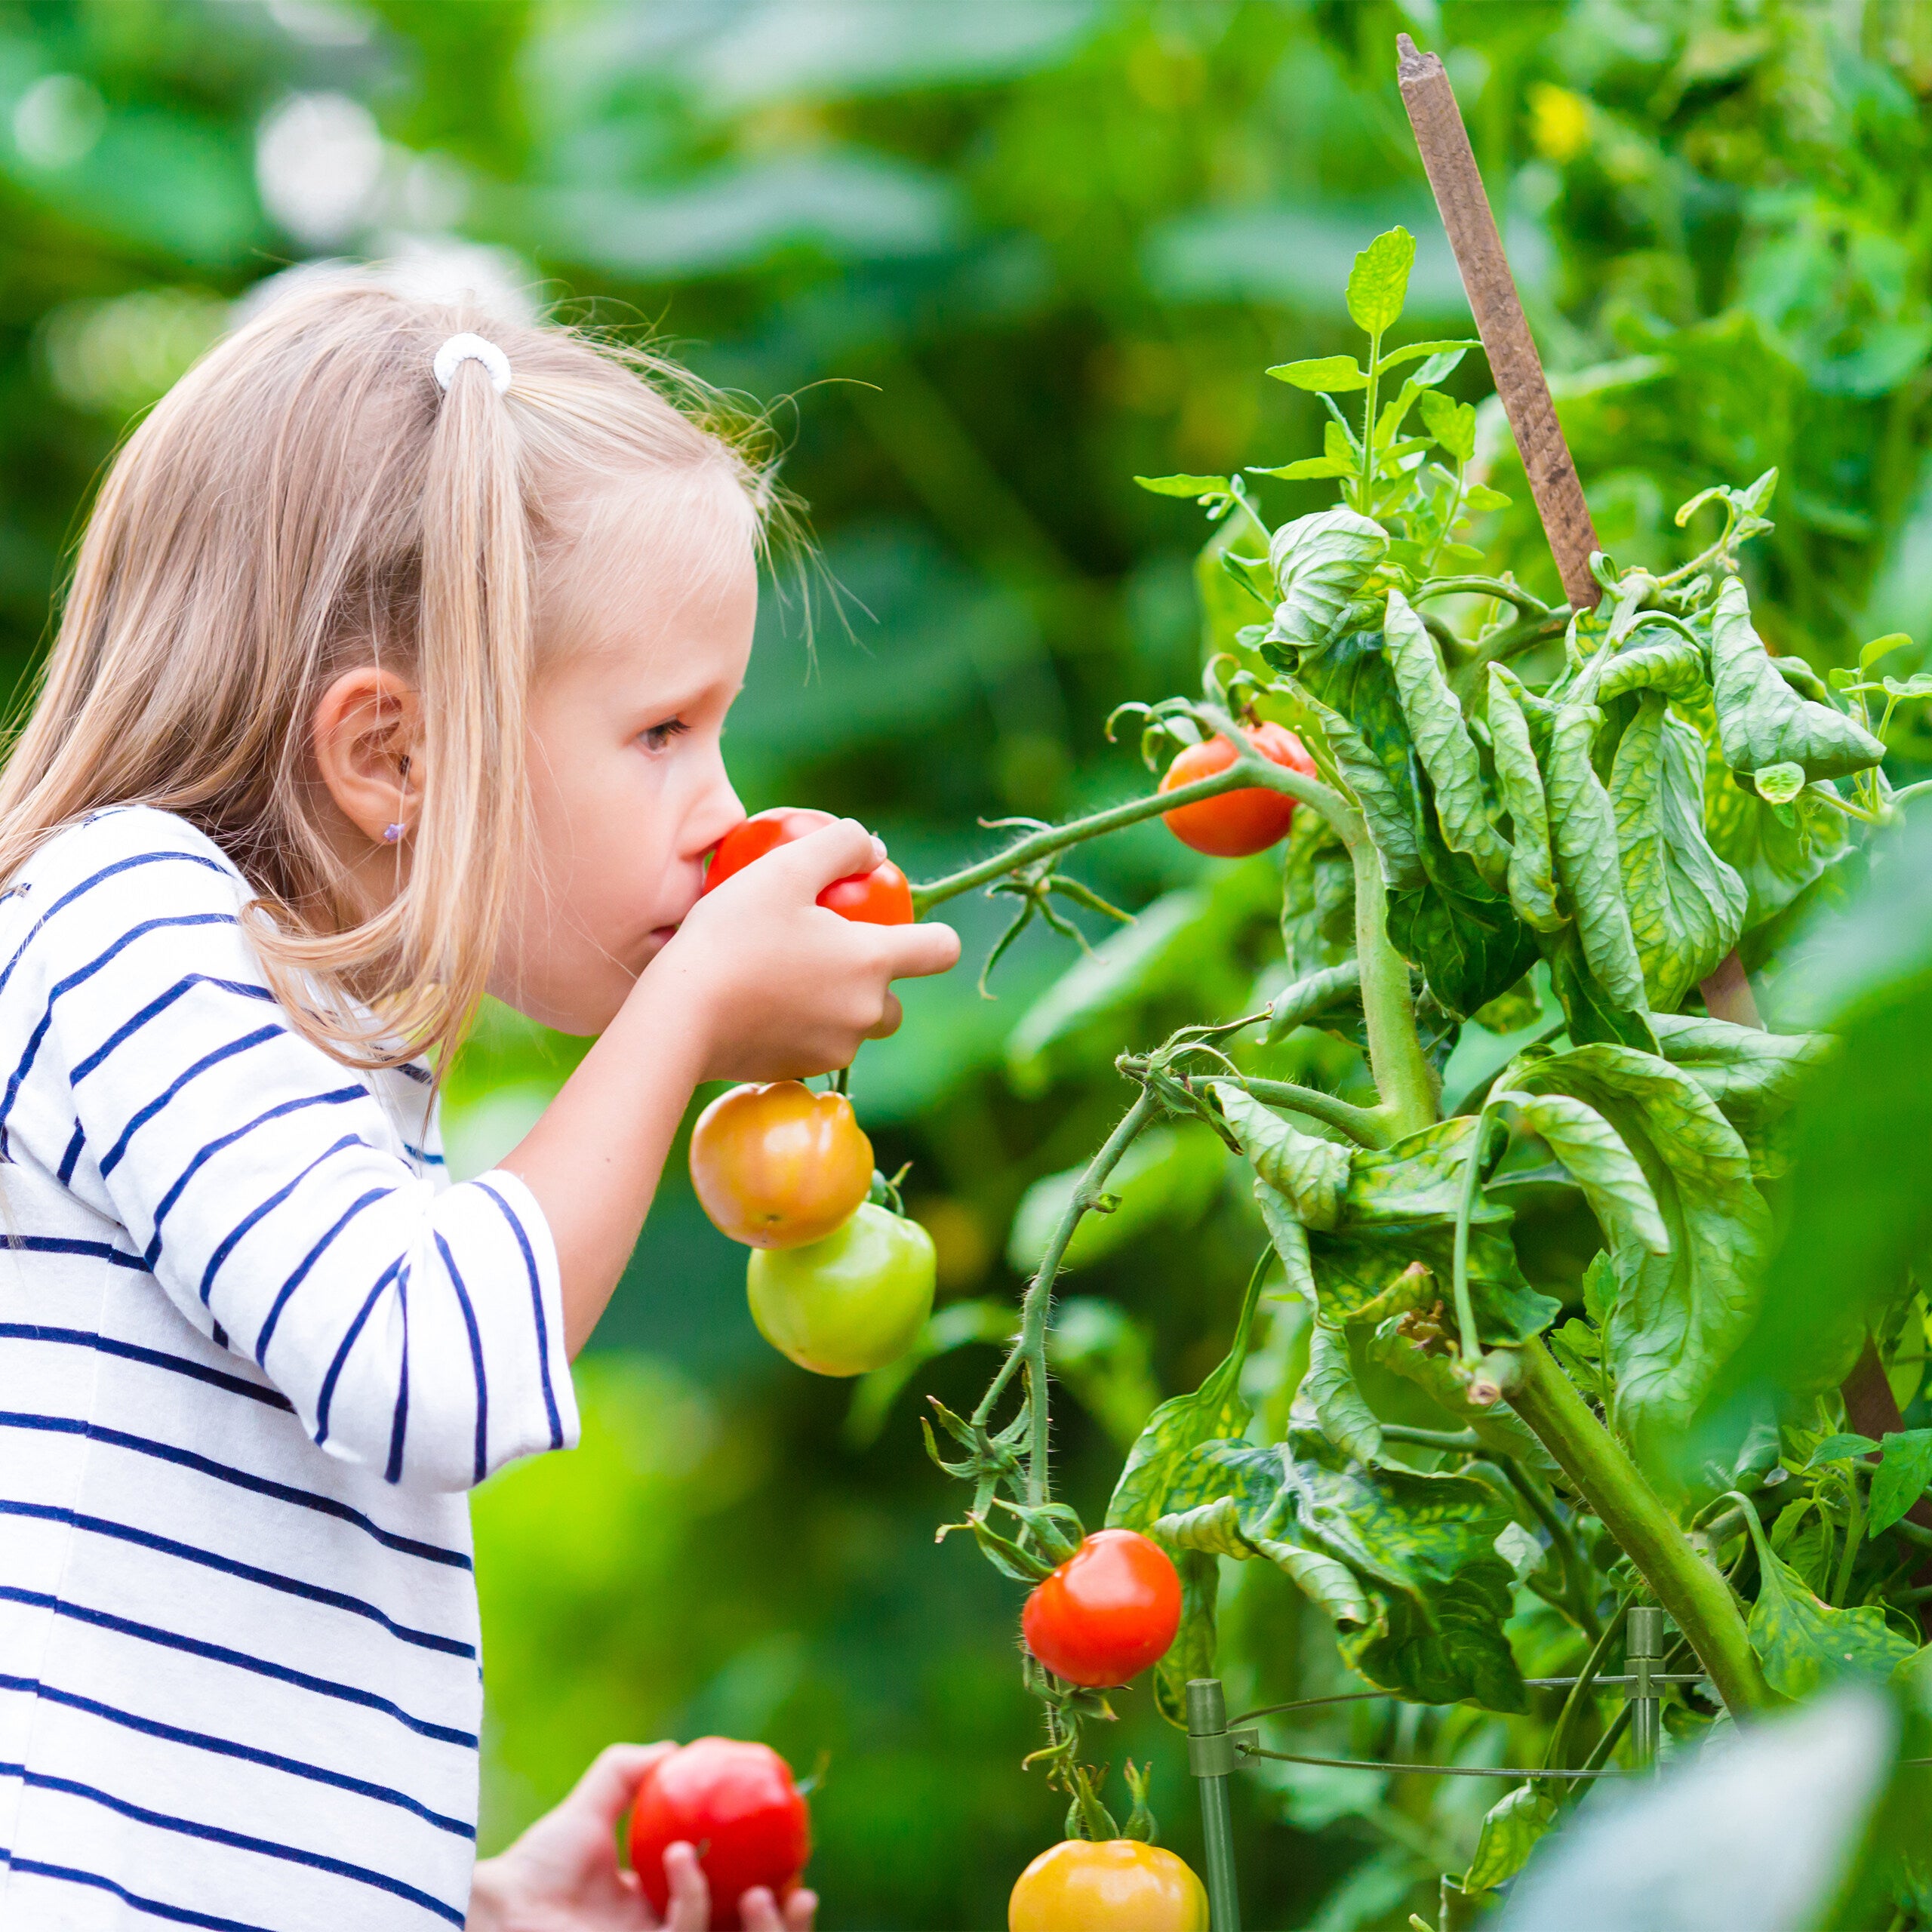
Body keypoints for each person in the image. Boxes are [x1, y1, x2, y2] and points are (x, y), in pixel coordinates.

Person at [0, 282, 958, 1930]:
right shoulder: (127, 925)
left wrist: (489, 1906)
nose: (720, 805)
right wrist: (686, 1008)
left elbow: (216, 1745)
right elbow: (424, 1364)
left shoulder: (326, 1057)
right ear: (393, 756)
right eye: (660, 728)